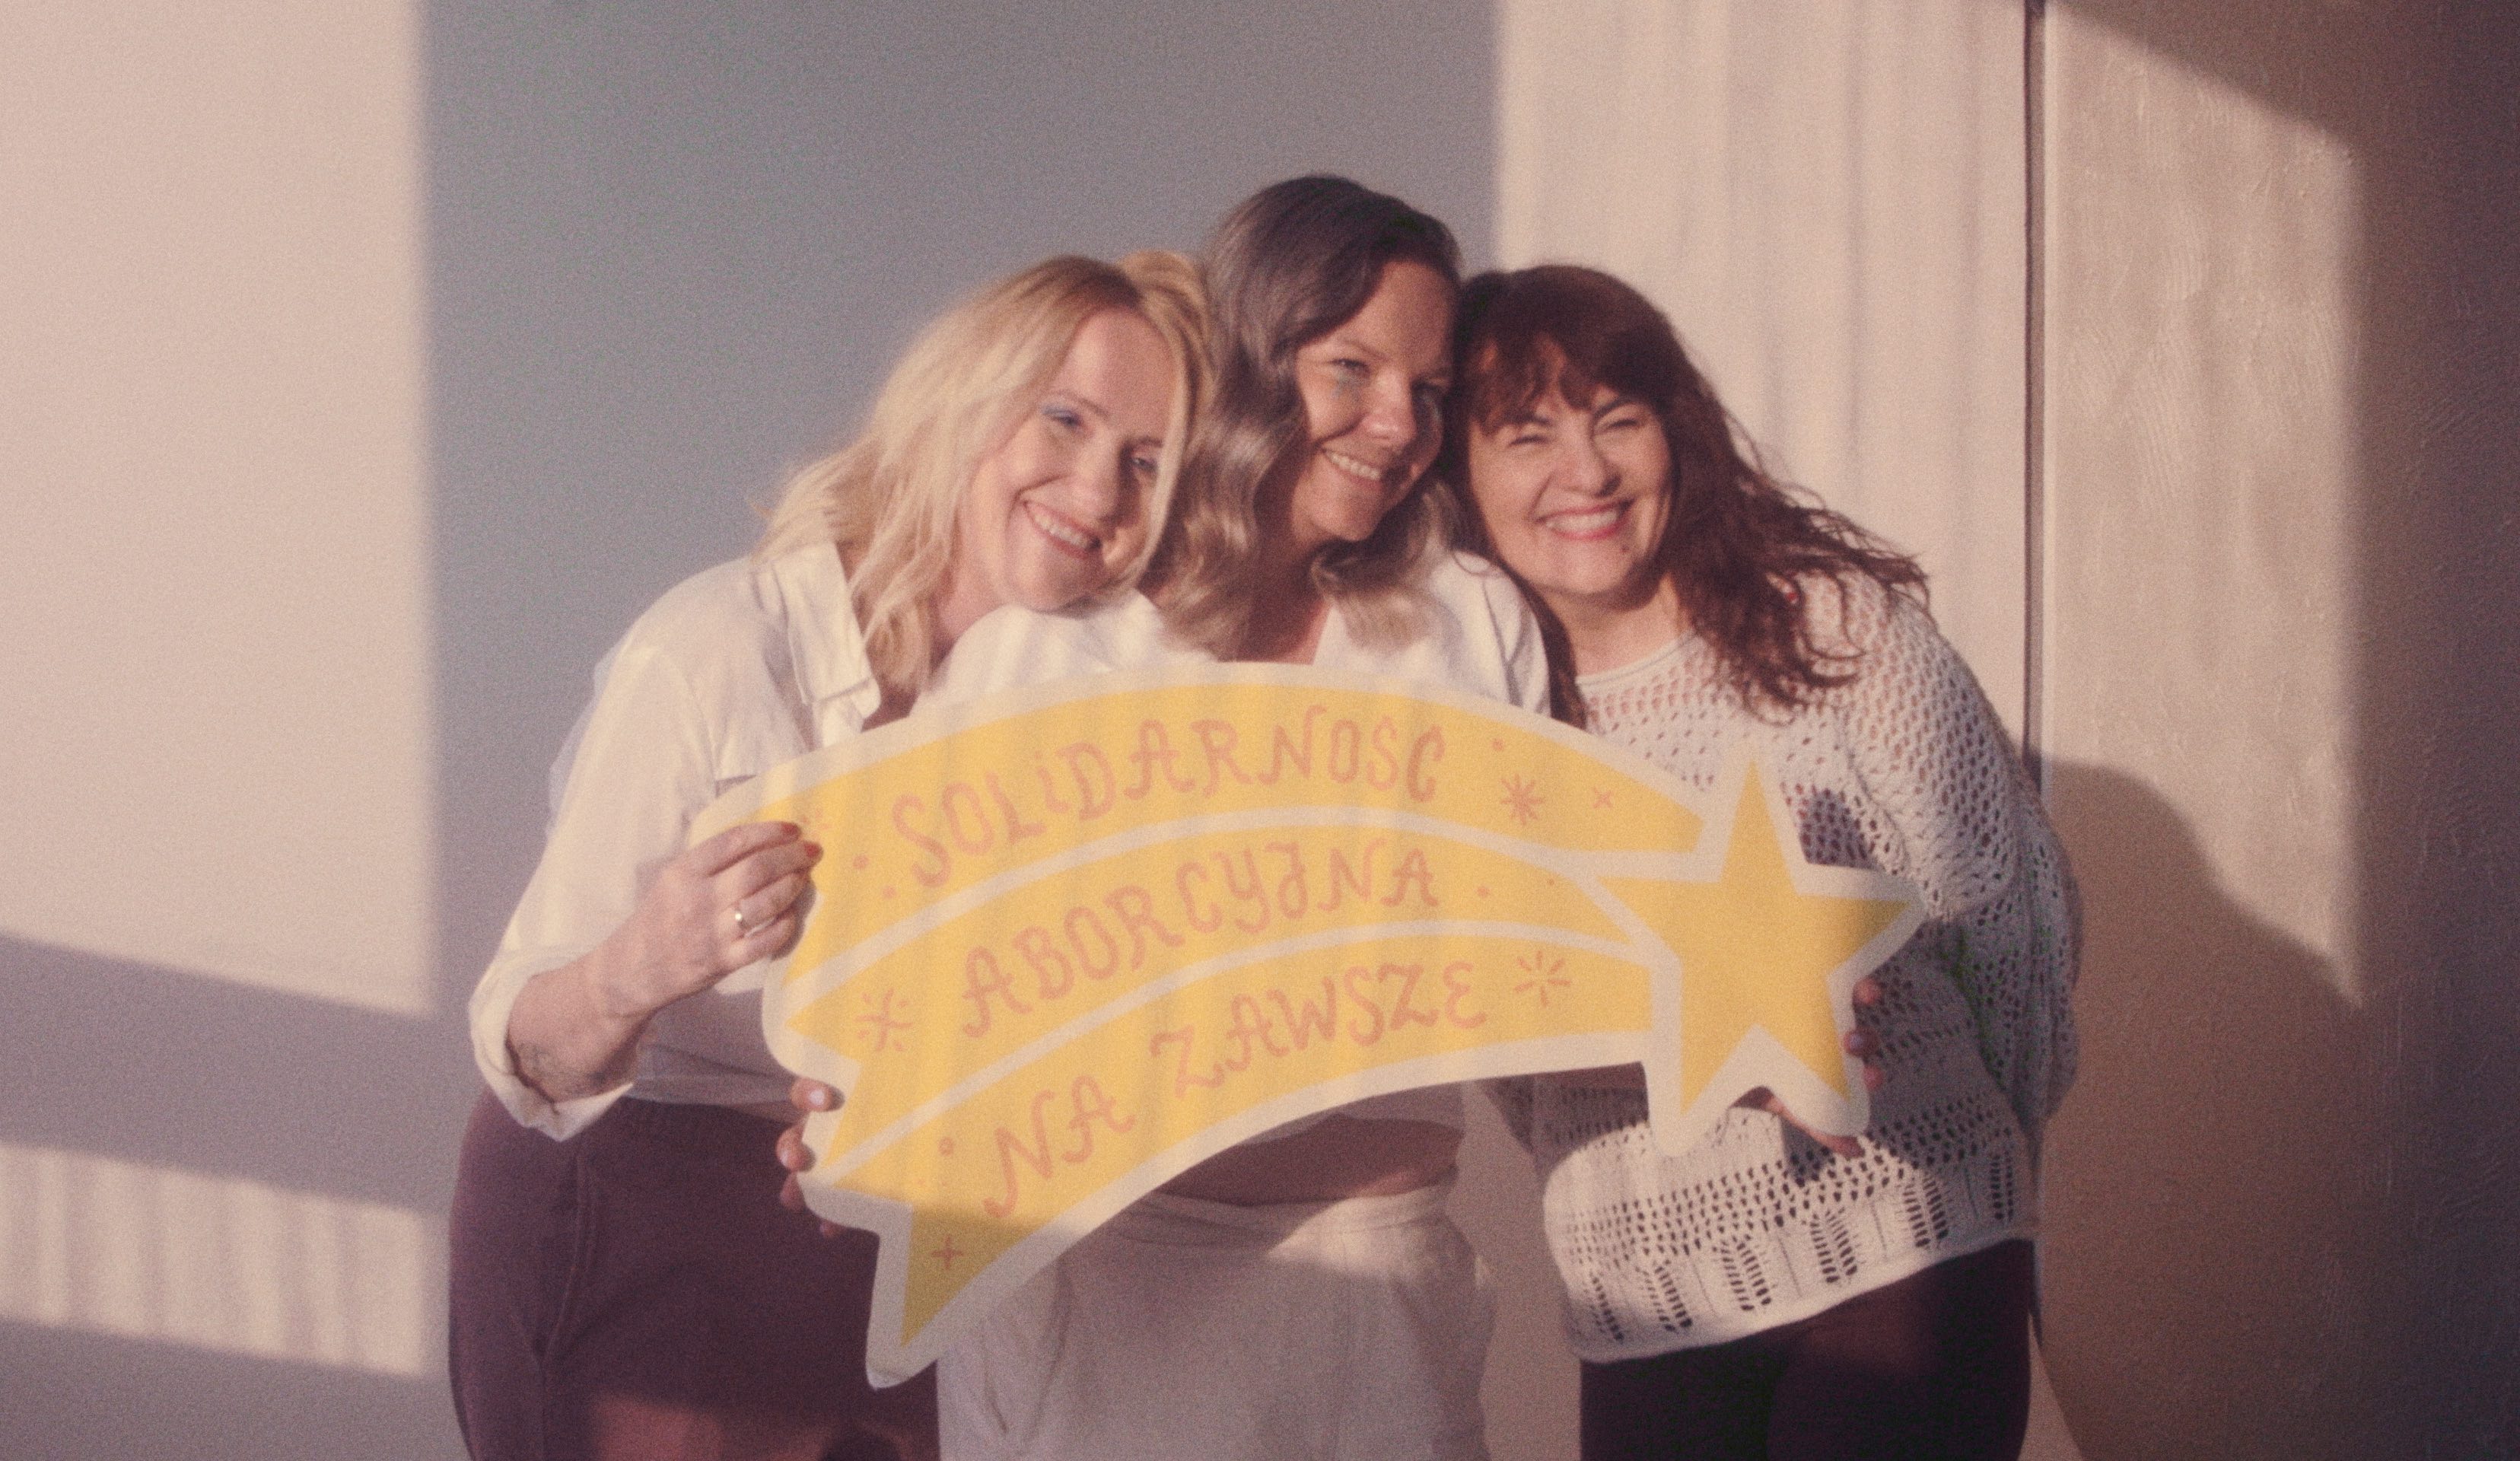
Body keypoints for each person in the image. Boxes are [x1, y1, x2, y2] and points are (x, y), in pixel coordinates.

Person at [788, 176, 1544, 1461]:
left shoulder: (1467, 616)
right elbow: (930, 946)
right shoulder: (1060, 640)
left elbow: (1547, 941)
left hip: (1379, 1288)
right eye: (1349, 368)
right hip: (1097, 1280)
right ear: (1252, 356)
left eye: (1428, 391)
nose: (1396, 424)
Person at [447, 250, 1208, 1461]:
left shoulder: (1064, 707)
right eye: (1064, 419)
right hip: (632, 1212)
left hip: (871, 1229)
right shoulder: (717, 652)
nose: (1099, 487)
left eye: (1148, 463)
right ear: (967, 406)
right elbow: (520, 1044)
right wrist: (645, 961)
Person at [1437, 263, 2078, 1461]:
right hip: (1647, 1298)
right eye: (1529, 435)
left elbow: (2015, 921)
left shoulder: (1834, 630)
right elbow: (1493, 1030)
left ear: (1674, 434)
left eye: (1619, 419)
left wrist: (1994, 1172)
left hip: (1911, 1245)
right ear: (1459, 476)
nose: (1586, 472)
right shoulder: (1477, 729)